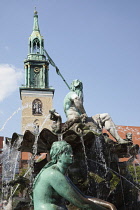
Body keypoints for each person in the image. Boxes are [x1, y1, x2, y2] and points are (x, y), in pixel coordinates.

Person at [33, 141, 116, 210]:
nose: (71, 155)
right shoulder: (53, 174)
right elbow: (82, 203)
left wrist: (109, 205)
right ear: (58, 156)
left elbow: (83, 197)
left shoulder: (63, 176)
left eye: (71, 152)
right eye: (67, 153)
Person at [64, 79, 128, 144]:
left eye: (80, 87)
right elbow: (76, 100)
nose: (79, 89)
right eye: (77, 87)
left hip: (83, 120)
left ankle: (119, 139)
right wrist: (83, 112)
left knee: (106, 116)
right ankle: (117, 139)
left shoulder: (76, 97)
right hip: (76, 120)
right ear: (73, 87)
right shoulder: (71, 94)